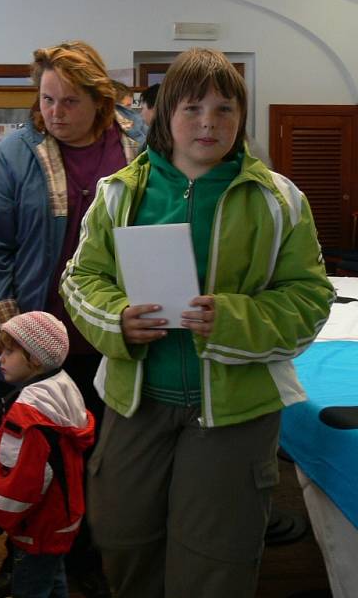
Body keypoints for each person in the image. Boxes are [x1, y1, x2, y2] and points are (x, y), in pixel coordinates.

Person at [60, 47, 333, 598]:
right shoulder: (120, 194)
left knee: (216, 555)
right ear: (164, 117)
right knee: (123, 536)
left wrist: (231, 317)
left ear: (242, 117)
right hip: (137, 401)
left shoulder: (279, 200)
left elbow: (309, 300)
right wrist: (118, 319)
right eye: (192, 108)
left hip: (235, 410)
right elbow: (79, 279)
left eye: (224, 109)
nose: (209, 122)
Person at [0, 40, 144, 598]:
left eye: (69, 101)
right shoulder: (17, 152)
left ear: (100, 100)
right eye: (46, 100)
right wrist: (7, 335)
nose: (54, 113)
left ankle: (84, 558)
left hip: (110, 337)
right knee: (30, 462)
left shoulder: (138, 146)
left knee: (98, 459)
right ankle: (24, 562)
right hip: (34, 345)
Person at [0, 311, 95, 598]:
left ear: (35, 359)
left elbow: (24, 483)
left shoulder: (28, 415)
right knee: (53, 578)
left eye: (9, 351)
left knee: (31, 587)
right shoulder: (64, 387)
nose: (0, 358)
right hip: (63, 517)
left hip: (36, 527)